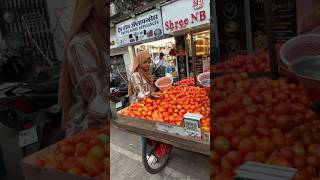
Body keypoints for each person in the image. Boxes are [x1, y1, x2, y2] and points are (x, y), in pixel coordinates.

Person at [58, 0, 109, 137]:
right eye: (107, 4)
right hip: (86, 134)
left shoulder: (108, 34)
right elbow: (97, 101)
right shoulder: (81, 44)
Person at [128, 51, 172, 163]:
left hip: (148, 104)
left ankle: (156, 147)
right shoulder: (135, 75)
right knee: (143, 132)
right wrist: (150, 94)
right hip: (138, 107)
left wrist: (155, 94)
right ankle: (147, 153)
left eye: (149, 62)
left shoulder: (148, 72)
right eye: (145, 62)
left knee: (152, 129)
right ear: (139, 63)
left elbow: (150, 89)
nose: (147, 64)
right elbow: (139, 94)